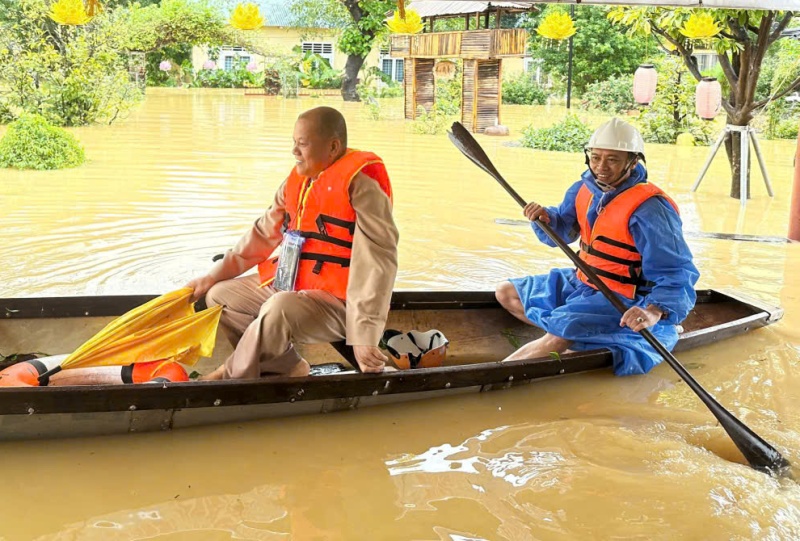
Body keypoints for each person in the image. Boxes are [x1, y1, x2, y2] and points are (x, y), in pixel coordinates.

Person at [186, 106, 399, 379]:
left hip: (340, 301)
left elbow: (378, 261)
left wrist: (364, 334)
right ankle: (286, 367)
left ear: (333, 147)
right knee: (219, 296)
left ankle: (228, 376)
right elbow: (261, 235)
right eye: (294, 143)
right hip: (295, 285)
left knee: (279, 308)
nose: (294, 151)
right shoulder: (297, 181)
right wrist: (210, 277)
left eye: (303, 144)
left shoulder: (362, 184)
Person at [495, 118, 699, 376]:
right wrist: (546, 219)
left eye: (612, 160)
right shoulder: (583, 189)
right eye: (595, 157)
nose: (601, 167)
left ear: (632, 161)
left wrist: (654, 311)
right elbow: (562, 231)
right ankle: (578, 340)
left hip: (622, 297)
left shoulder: (651, 209)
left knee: (562, 330)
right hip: (583, 283)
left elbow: (677, 270)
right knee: (506, 292)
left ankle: (546, 346)